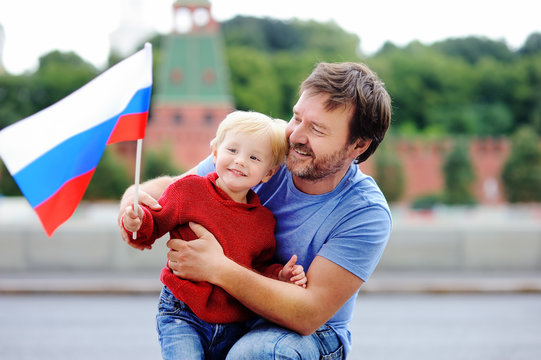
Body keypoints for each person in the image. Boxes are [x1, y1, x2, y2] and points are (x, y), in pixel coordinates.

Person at [119, 61, 393, 359]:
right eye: (297, 117)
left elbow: (308, 313)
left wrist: (217, 267)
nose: (296, 136)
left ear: (358, 145)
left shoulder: (366, 213)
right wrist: (132, 199)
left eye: (316, 129)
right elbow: (173, 188)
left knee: (255, 353)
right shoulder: (262, 154)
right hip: (229, 311)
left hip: (313, 333)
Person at [121, 110, 307, 360]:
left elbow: (258, 269)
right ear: (216, 152)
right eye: (232, 151)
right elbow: (153, 225)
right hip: (183, 314)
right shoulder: (187, 191)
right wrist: (137, 221)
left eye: (253, 157)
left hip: (234, 323)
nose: (240, 161)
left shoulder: (263, 221)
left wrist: (280, 276)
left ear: (268, 173)